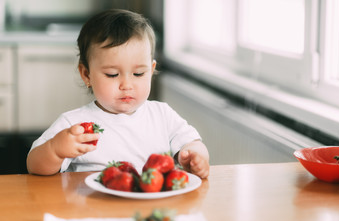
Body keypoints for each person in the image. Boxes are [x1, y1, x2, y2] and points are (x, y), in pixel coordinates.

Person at [26, 9, 210, 179]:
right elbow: (33, 165)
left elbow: (191, 142)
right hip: (94, 208)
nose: (127, 85)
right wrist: (56, 150)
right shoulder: (74, 125)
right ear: (86, 74)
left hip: (151, 208)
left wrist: (196, 155)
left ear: (152, 70)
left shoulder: (162, 115)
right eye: (112, 74)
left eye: (139, 74)